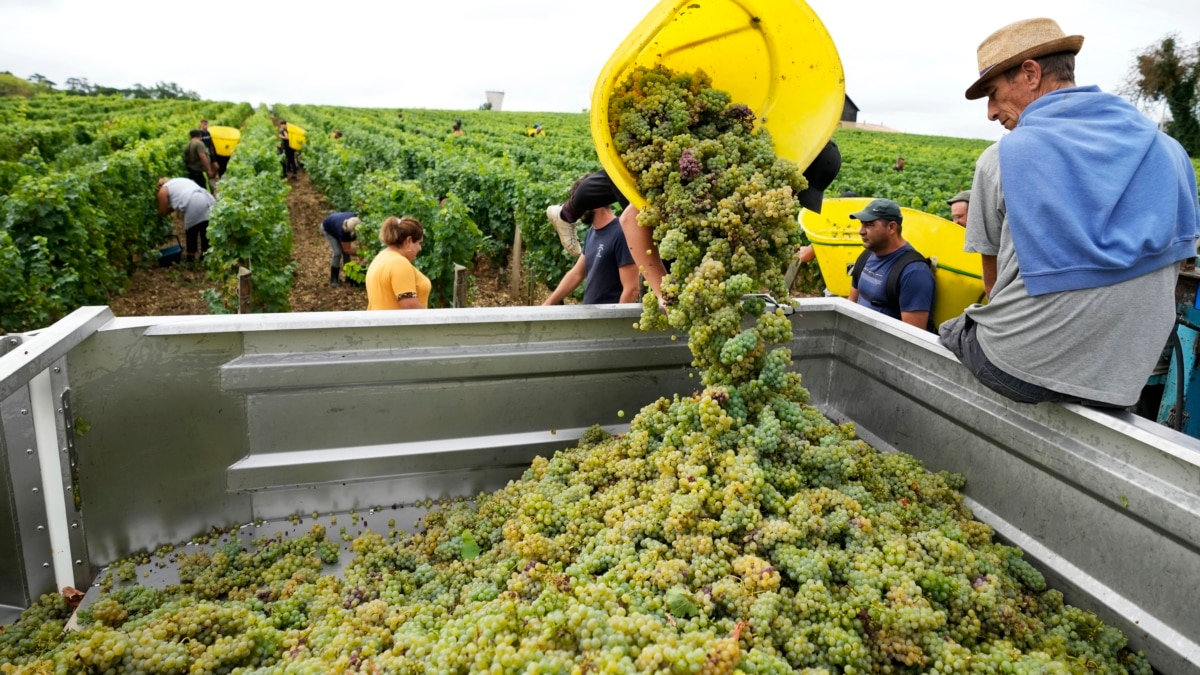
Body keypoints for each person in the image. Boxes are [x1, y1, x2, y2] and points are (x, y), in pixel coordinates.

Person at [938, 17, 1200, 407]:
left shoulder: (1001, 158)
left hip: (1012, 370)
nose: (991, 113)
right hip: (1121, 387)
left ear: (1030, 73)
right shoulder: (1172, 152)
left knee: (953, 329)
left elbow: (992, 288)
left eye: (992, 93)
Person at [548, 140, 843, 305]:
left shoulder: (753, 183)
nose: (790, 196)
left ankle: (566, 213)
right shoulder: (717, 178)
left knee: (605, 184)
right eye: (795, 188)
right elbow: (631, 218)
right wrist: (663, 291)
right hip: (658, 164)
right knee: (611, 184)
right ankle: (565, 214)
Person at [542, 177, 639, 306]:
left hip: (608, 322)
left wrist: (616, 323)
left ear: (595, 201)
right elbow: (576, 274)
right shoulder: (592, 232)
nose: (577, 212)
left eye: (579, 205)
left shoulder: (621, 233)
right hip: (593, 319)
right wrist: (546, 305)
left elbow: (631, 289)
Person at [846, 198, 935, 330]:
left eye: (869, 225)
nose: (861, 231)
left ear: (891, 227)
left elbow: (913, 336)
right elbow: (852, 302)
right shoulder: (867, 256)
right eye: (861, 224)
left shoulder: (914, 272)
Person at [366, 216, 431, 309]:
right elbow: (410, 306)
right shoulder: (399, 263)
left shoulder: (380, 257)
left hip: (381, 322)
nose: (420, 248)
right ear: (408, 241)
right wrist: (432, 320)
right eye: (419, 243)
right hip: (396, 323)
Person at [157, 177, 215, 263]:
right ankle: (205, 257)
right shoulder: (178, 181)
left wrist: (158, 213)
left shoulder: (163, 190)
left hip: (194, 201)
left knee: (192, 230)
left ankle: (190, 259)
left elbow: (163, 212)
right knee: (205, 229)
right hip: (207, 199)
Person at [321, 212, 360, 288]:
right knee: (338, 253)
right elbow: (347, 249)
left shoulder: (355, 218)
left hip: (335, 222)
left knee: (346, 254)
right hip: (328, 229)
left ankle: (349, 276)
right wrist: (360, 253)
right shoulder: (343, 232)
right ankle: (334, 278)